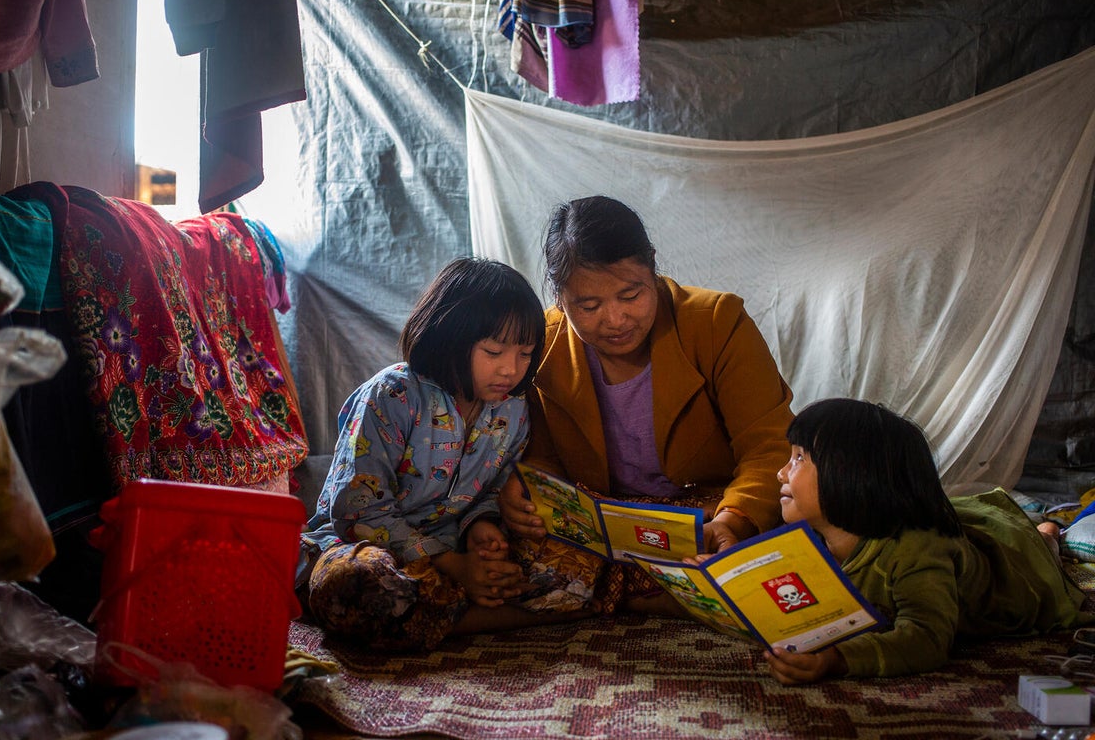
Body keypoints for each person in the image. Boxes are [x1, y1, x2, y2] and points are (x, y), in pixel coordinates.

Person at [499, 195, 796, 615]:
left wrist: (734, 521)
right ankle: (658, 595)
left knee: (801, 547)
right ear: (559, 296)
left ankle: (619, 596)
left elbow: (770, 444)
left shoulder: (716, 322)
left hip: (707, 512)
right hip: (605, 519)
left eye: (630, 294)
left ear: (652, 267)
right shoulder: (542, 347)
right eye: (589, 305)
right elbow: (543, 457)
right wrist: (525, 490)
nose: (615, 319)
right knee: (506, 561)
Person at [299, 257, 561, 651]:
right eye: (494, 351)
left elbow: (496, 488)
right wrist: (450, 564)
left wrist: (481, 530)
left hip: (455, 550)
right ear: (449, 338)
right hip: (363, 545)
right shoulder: (392, 396)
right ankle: (475, 613)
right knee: (353, 584)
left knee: (570, 566)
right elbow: (356, 510)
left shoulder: (513, 409)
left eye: (525, 353)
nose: (512, 369)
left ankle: (442, 615)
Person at [765, 397, 1091, 683]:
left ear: (851, 474)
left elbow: (927, 637)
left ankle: (1049, 535)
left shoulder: (914, 551)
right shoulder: (814, 539)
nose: (781, 472)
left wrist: (836, 659)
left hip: (1014, 568)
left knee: (1038, 551)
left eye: (798, 459)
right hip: (967, 531)